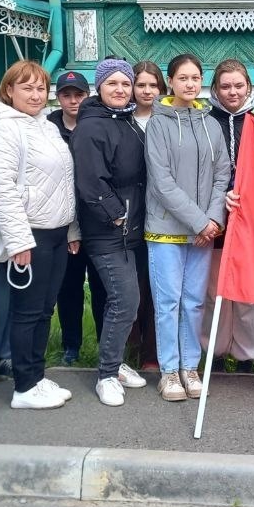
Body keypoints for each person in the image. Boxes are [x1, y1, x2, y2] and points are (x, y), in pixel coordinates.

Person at [0, 60, 80, 411]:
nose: (36, 95)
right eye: (27, 88)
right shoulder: (5, 129)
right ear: (9, 90)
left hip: (55, 231)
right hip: (31, 233)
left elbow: (63, 183)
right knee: (27, 311)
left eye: (41, 88)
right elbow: (0, 188)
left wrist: (71, 227)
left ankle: (36, 376)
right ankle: (23, 386)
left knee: (43, 310)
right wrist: (19, 240)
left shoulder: (46, 126)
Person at [144, 54, 230, 402]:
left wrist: (212, 221)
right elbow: (161, 182)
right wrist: (200, 220)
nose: (190, 84)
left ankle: (190, 368)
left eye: (195, 78)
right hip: (166, 229)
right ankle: (169, 371)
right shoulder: (158, 124)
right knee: (168, 302)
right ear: (171, 81)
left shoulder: (211, 124)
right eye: (183, 78)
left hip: (203, 232)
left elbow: (222, 172)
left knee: (194, 303)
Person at [70, 58, 150, 406]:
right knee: (125, 299)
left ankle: (115, 363)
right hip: (107, 231)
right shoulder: (92, 127)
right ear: (99, 88)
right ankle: (106, 374)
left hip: (129, 229)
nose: (120, 89)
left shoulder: (127, 121)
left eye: (125, 83)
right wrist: (116, 215)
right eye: (112, 84)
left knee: (123, 301)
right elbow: (90, 181)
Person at [202, 58, 254, 374]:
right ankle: (213, 349)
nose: (232, 92)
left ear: (248, 87)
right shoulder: (203, 123)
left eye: (238, 85)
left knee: (247, 293)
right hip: (214, 219)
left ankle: (247, 354)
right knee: (213, 292)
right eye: (225, 86)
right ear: (215, 88)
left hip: (248, 221)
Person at [48, 69, 102, 366]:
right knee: (67, 287)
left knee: (99, 286)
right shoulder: (48, 129)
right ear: (58, 99)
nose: (73, 101)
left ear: (87, 96)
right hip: (63, 221)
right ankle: (71, 345)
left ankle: (106, 346)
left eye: (78, 95)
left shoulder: (96, 124)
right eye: (66, 95)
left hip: (95, 219)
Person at [128, 60, 165, 368]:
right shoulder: (122, 119)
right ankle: (130, 347)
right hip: (129, 215)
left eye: (153, 85)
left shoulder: (168, 119)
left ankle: (152, 353)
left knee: (157, 288)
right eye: (141, 85)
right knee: (134, 286)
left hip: (162, 214)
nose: (147, 91)